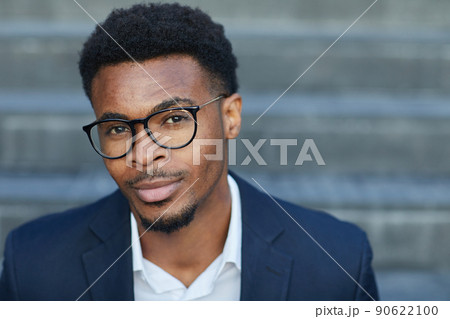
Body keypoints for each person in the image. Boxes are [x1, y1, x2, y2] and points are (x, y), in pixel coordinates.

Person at [0, 3, 378, 301]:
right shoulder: (34, 264)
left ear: (230, 117)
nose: (144, 155)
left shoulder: (337, 261)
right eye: (117, 129)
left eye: (174, 120)